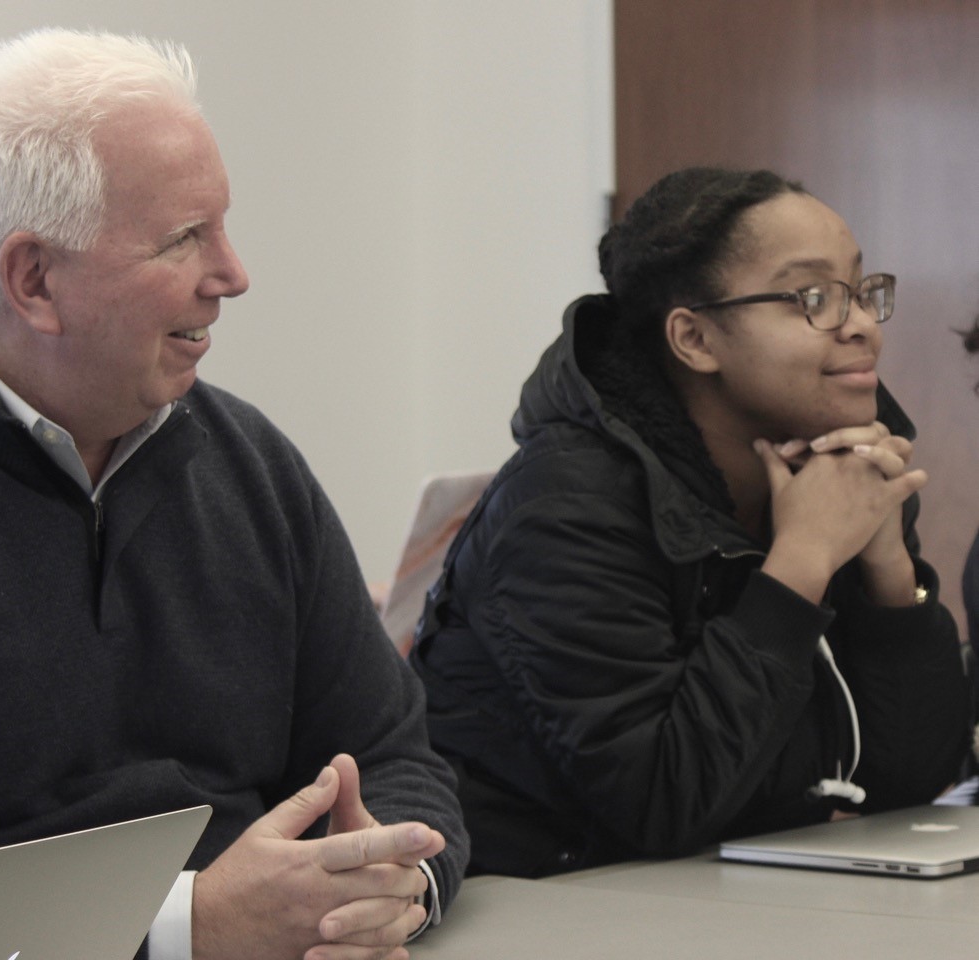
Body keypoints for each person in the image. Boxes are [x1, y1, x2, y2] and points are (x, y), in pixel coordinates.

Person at [0, 29, 466, 960]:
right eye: (185, 238)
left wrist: (396, 887)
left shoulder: (250, 466)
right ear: (33, 280)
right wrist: (189, 929)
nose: (233, 274)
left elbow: (395, 754)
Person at [410, 167, 972, 878]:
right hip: (549, 905)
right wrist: (799, 562)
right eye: (814, 298)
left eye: (861, 292)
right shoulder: (566, 502)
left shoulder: (837, 473)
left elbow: (908, 784)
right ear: (695, 339)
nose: (860, 325)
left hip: (737, 899)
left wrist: (888, 568)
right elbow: (658, 804)